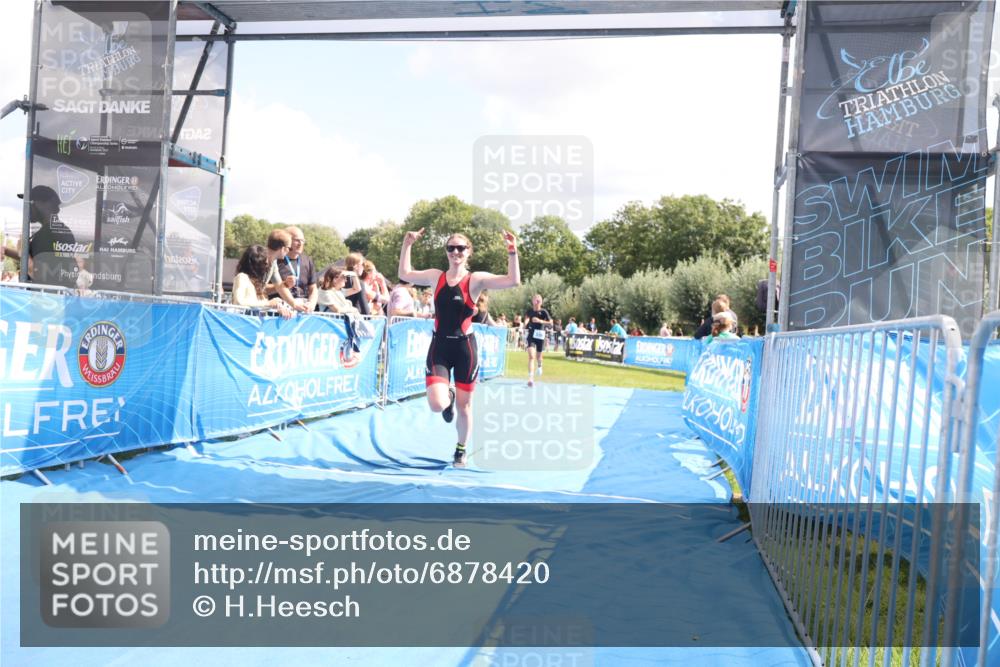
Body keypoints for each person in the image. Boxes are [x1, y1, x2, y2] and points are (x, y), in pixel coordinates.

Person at [398, 227, 520, 468]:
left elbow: (512, 280)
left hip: (466, 350)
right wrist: (407, 244)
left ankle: (460, 449)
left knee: (465, 407)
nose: (456, 252)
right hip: (440, 347)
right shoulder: (436, 277)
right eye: (451, 248)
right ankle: (448, 396)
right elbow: (405, 273)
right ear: (446, 252)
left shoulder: (475, 280)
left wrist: (512, 250)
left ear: (468, 252)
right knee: (436, 404)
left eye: (461, 248)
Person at [21, 185, 89, 288]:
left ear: (40, 205)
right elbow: (33, 255)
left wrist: (20, 252)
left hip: (46, 300)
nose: (26, 208)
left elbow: (38, 274)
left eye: (30, 203)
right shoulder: (55, 230)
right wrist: (7, 250)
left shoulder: (48, 234)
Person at [231, 245, 293, 318]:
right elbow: (239, 302)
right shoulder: (242, 277)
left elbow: (260, 305)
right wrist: (268, 303)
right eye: (264, 264)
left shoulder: (257, 282)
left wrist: (277, 307)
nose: (266, 267)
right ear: (256, 264)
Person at [277, 226, 318, 312]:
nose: (300, 244)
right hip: (282, 311)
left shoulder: (307, 260)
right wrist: (284, 284)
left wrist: (311, 304)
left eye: (302, 241)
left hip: (303, 309)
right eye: (297, 240)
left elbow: (313, 288)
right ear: (287, 240)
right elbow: (263, 289)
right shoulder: (276, 260)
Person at [261, 229, 303, 311]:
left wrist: (295, 305)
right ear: (283, 248)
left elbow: (280, 286)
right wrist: (269, 304)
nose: (288, 251)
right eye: (289, 248)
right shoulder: (259, 259)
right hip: (246, 307)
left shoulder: (273, 262)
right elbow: (254, 288)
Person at [524, 294, 553, 387]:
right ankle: (531, 378)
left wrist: (541, 321)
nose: (537, 301)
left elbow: (551, 323)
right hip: (531, 335)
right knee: (531, 356)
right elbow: (526, 318)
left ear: (541, 302)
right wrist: (525, 323)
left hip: (540, 336)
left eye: (539, 300)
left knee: (538, 357)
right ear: (532, 301)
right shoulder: (530, 311)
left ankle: (540, 366)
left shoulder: (544, 312)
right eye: (535, 300)